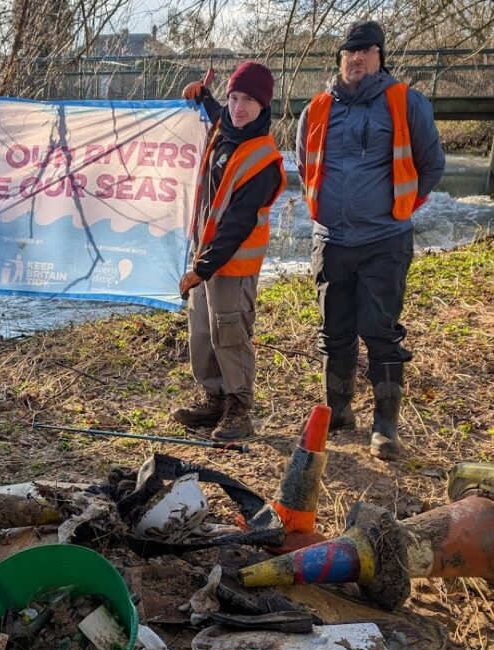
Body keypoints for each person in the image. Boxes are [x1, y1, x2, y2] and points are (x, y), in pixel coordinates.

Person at [297, 21, 445, 459]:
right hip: (332, 241)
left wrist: (398, 210)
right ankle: (339, 412)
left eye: (366, 51)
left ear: (380, 57)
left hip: (385, 241)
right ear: (340, 58)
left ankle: (384, 429)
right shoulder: (318, 108)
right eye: (349, 52)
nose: (356, 58)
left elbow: (431, 164)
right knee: (334, 332)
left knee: (380, 333)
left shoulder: (405, 102)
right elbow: (306, 164)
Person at [172, 62, 286, 441]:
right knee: (202, 331)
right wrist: (202, 96)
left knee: (230, 333)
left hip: (231, 265)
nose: (238, 107)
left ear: (263, 105)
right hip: (207, 259)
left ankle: (239, 409)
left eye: (248, 100)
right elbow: (219, 112)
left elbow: (236, 226)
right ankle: (214, 399)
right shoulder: (227, 128)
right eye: (234, 98)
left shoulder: (263, 160)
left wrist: (201, 268)